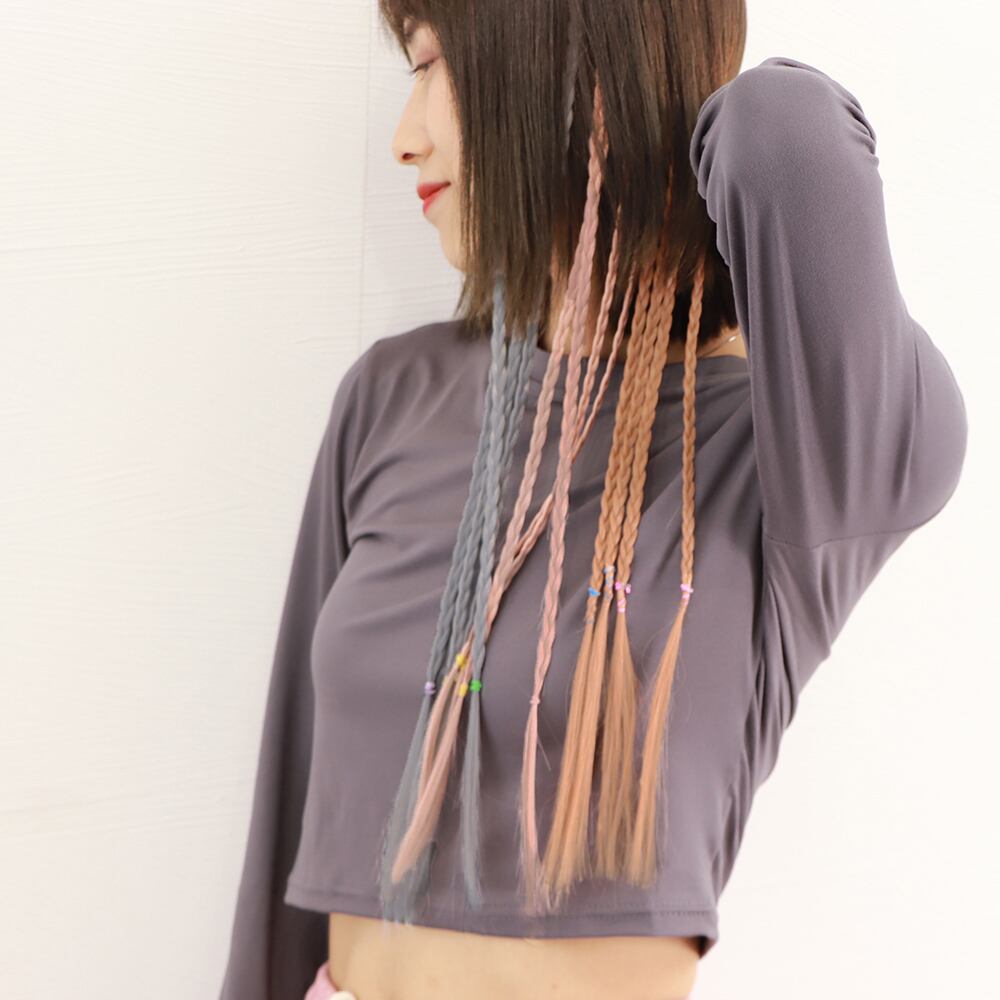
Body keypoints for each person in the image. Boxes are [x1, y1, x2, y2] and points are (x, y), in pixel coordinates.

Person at [218, 3, 969, 998]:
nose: (403, 137)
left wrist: (650, 117)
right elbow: (287, 820)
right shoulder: (393, 397)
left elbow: (781, 137)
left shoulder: (793, 458)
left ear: (565, 71)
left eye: (433, 66)